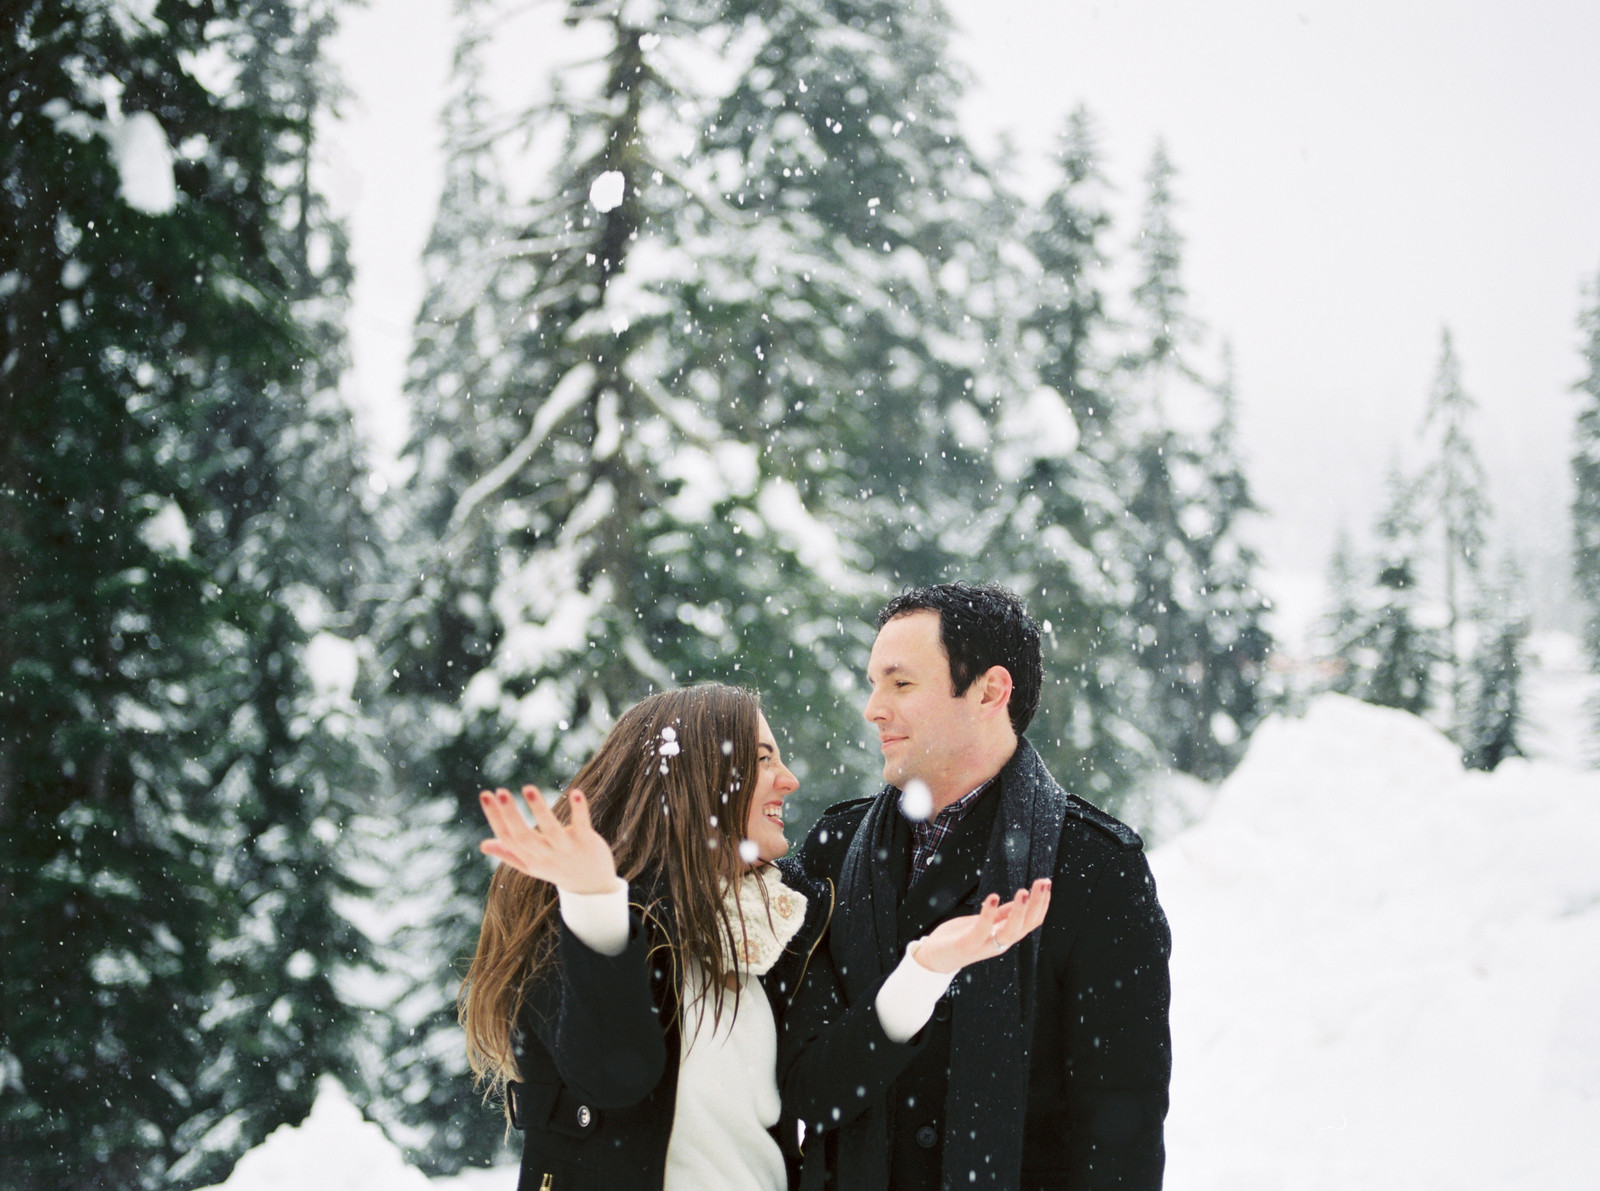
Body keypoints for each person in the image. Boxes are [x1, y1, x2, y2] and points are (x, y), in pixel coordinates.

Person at [458, 682, 1051, 1191]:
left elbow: (817, 1091)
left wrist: (925, 971)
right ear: (698, 775)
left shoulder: (777, 922)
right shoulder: (569, 914)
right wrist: (593, 906)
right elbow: (617, 1074)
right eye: (763, 759)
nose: (788, 780)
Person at [781, 583, 1172, 1191]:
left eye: (900, 683)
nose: (873, 708)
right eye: (872, 683)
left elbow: (1120, 1133)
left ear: (990, 691)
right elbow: (806, 1087)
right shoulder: (834, 852)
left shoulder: (1095, 867)